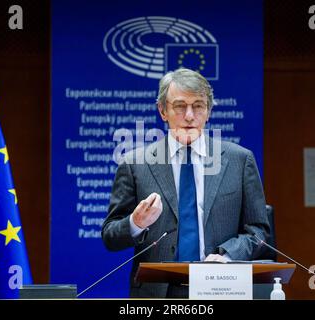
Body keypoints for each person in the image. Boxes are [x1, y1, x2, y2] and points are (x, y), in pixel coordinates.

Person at [102, 68, 270, 298]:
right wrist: (135, 223)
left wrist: (227, 256)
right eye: (180, 106)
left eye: (198, 106)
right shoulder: (135, 164)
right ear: (163, 111)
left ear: (208, 111)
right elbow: (110, 237)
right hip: (158, 293)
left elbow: (258, 231)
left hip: (221, 288)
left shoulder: (239, 161)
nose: (189, 116)